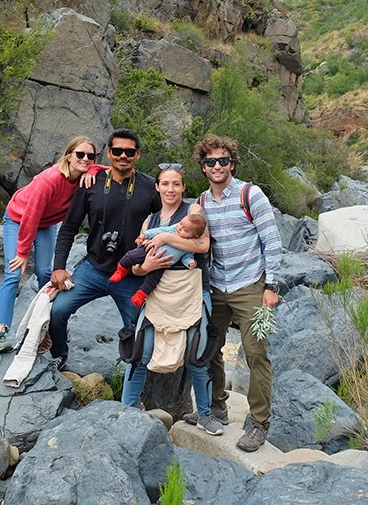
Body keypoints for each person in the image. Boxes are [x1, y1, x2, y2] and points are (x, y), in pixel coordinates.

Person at [187, 133, 282, 452]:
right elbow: (196, 243)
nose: (216, 166)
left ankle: (258, 422)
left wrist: (272, 286)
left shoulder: (250, 195)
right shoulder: (199, 203)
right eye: (210, 161)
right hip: (216, 286)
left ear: (232, 163)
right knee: (209, 348)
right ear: (203, 167)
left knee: (256, 352)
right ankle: (217, 408)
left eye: (222, 160)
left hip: (252, 285)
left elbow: (272, 240)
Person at [47, 128, 166, 372]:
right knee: (57, 311)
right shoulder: (90, 183)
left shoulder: (149, 188)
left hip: (132, 274)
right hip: (93, 269)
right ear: (109, 154)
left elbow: (169, 222)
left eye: (129, 152)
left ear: (138, 155)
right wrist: (58, 267)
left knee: (140, 330)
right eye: (117, 151)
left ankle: (134, 385)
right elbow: (69, 228)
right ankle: (59, 354)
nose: (124, 156)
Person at [118, 164, 220, 434]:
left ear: (183, 187)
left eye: (176, 184)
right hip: (157, 291)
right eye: (165, 184)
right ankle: (127, 408)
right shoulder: (149, 221)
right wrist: (146, 267)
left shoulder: (194, 211)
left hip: (193, 290)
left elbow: (203, 245)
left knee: (197, 353)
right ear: (157, 187)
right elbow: (137, 266)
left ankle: (206, 414)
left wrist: (166, 237)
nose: (171, 189)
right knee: (140, 350)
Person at [0, 136, 104, 354]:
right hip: (19, 218)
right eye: (80, 154)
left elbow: (112, 168)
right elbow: (30, 217)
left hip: (47, 223)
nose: (86, 159)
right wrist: (23, 253)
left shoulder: (86, 177)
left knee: (46, 273)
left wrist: (93, 170)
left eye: (91, 156)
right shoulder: (50, 180)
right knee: (14, 273)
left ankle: (46, 327)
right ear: (69, 155)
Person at [110, 213, 207, 307]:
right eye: (180, 223)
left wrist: (190, 262)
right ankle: (121, 271)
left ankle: (140, 296)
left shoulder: (188, 245)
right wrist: (142, 236)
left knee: (153, 281)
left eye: (185, 230)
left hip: (163, 264)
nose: (179, 227)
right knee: (131, 256)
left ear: (194, 236)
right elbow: (156, 231)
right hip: (148, 250)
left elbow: (187, 256)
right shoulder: (172, 229)